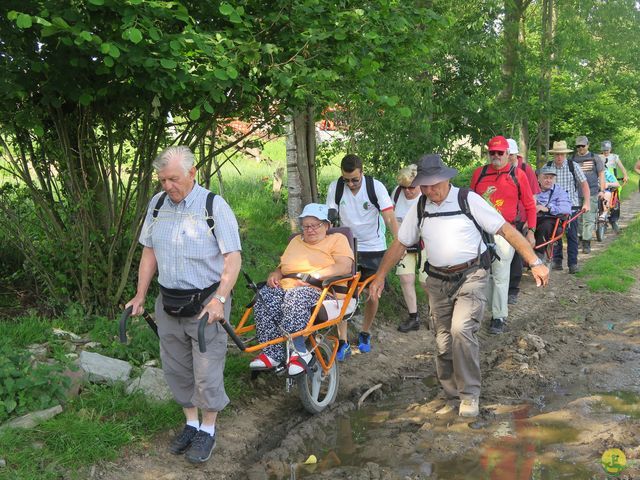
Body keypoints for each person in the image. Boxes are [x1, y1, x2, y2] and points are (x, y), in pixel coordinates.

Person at [369, 154, 549, 418]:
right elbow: (401, 243)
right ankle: (451, 392)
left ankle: (469, 395)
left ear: (446, 178)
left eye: (433, 184)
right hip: (437, 281)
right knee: (442, 340)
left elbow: (506, 230)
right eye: (424, 185)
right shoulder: (420, 206)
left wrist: (534, 261)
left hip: (471, 276)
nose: (430, 190)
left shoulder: (468, 199)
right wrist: (380, 275)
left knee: (461, 331)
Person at [125, 146, 242, 464]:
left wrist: (220, 299)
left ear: (192, 173)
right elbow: (149, 252)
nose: (167, 186)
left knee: (206, 370)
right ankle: (191, 423)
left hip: (206, 303)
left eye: (173, 179)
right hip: (169, 301)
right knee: (176, 367)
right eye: (162, 180)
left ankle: (208, 429)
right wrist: (140, 295)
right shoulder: (158, 204)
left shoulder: (213, 206)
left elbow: (233, 257)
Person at [248, 203, 354, 375]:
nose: (310, 230)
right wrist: (274, 274)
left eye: (315, 225)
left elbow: (345, 266)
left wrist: (314, 275)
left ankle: (299, 351)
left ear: (327, 225)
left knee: (296, 296)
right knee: (265, 296)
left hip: (322, 291)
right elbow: (283, 267)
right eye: (306, 226)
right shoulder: (296, 241)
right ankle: (271, 353)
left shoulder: (337, 240)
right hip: (288, 287)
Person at [326, 154, 399, 360]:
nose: (350, 184)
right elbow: (330, 218)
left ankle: (365, 332)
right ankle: (343, 341)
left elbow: (389, 217)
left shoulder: (376, 187)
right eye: (346, 179)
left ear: (362, 173)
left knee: (373, 293)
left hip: (374, 248)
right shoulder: (336, 187)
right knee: (341, 291)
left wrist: (399, 242)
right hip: (347, 247)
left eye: (354, 180)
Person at [470, 136, 537, 335]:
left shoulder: (518, 175)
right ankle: (482, 311)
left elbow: (530, 205)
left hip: (506, 231)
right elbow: (470, 201)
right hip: (480, 231)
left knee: (500, 274)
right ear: (488, 153)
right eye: (493, 152)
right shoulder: (479, 174)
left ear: (508, 154)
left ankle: (498, 316)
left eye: (500, 152)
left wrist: (531, 231)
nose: (496, 156)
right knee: (481, 274)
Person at [390, 164, 427, 332]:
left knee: (426, 281)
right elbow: (393, 219)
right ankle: (414, 317)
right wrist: (399, 241)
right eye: (404, 187)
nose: (408, 191)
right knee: (405, 278)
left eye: (412, 187)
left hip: (426, 240)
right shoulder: (397, 193)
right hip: (404, 241)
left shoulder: (427, 195)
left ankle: (436, 314)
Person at [545, 140, 590, 274]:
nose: (559, 157)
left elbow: (584, 184)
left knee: (572, 235)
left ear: (565, 154)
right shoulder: (548, 167)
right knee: (555, 235)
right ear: (553, 155)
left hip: (572, 206)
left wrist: (587, 202)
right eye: (557, 154)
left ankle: (573, 264)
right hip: (554, 207)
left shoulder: (573, 166)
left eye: (562, 154)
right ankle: (557, 261)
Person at [506, 138, 541, 305]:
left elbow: (533, 198)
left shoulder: (526, 170)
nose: (508, 158)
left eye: (511, 155)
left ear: (515, 155)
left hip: (520, 219)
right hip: (500, 219)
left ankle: (512, 289)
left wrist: (530, 223)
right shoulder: (495, 171)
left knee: (516, 255)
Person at [571, 136, 606, 254]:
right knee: (578, 218)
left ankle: (586, 243)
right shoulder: (573, 159)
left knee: (589, 218)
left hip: (592, 192)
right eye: (578, 146)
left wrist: (602, 190)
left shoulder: (595, 158)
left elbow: (601, 174)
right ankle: (580, 238)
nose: (580, 148)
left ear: (587, 145)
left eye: (583, 145)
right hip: (576, 193)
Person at [534, 166, 572, 250]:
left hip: (551, 219)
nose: (548, 180)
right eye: (545, 178)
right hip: (532, 217)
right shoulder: (532, 190)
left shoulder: (559, 192)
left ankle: (539, 253)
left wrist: (548, 208)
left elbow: (566, 209)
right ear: (538, 178)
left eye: (551, 178)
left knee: (545, 226)